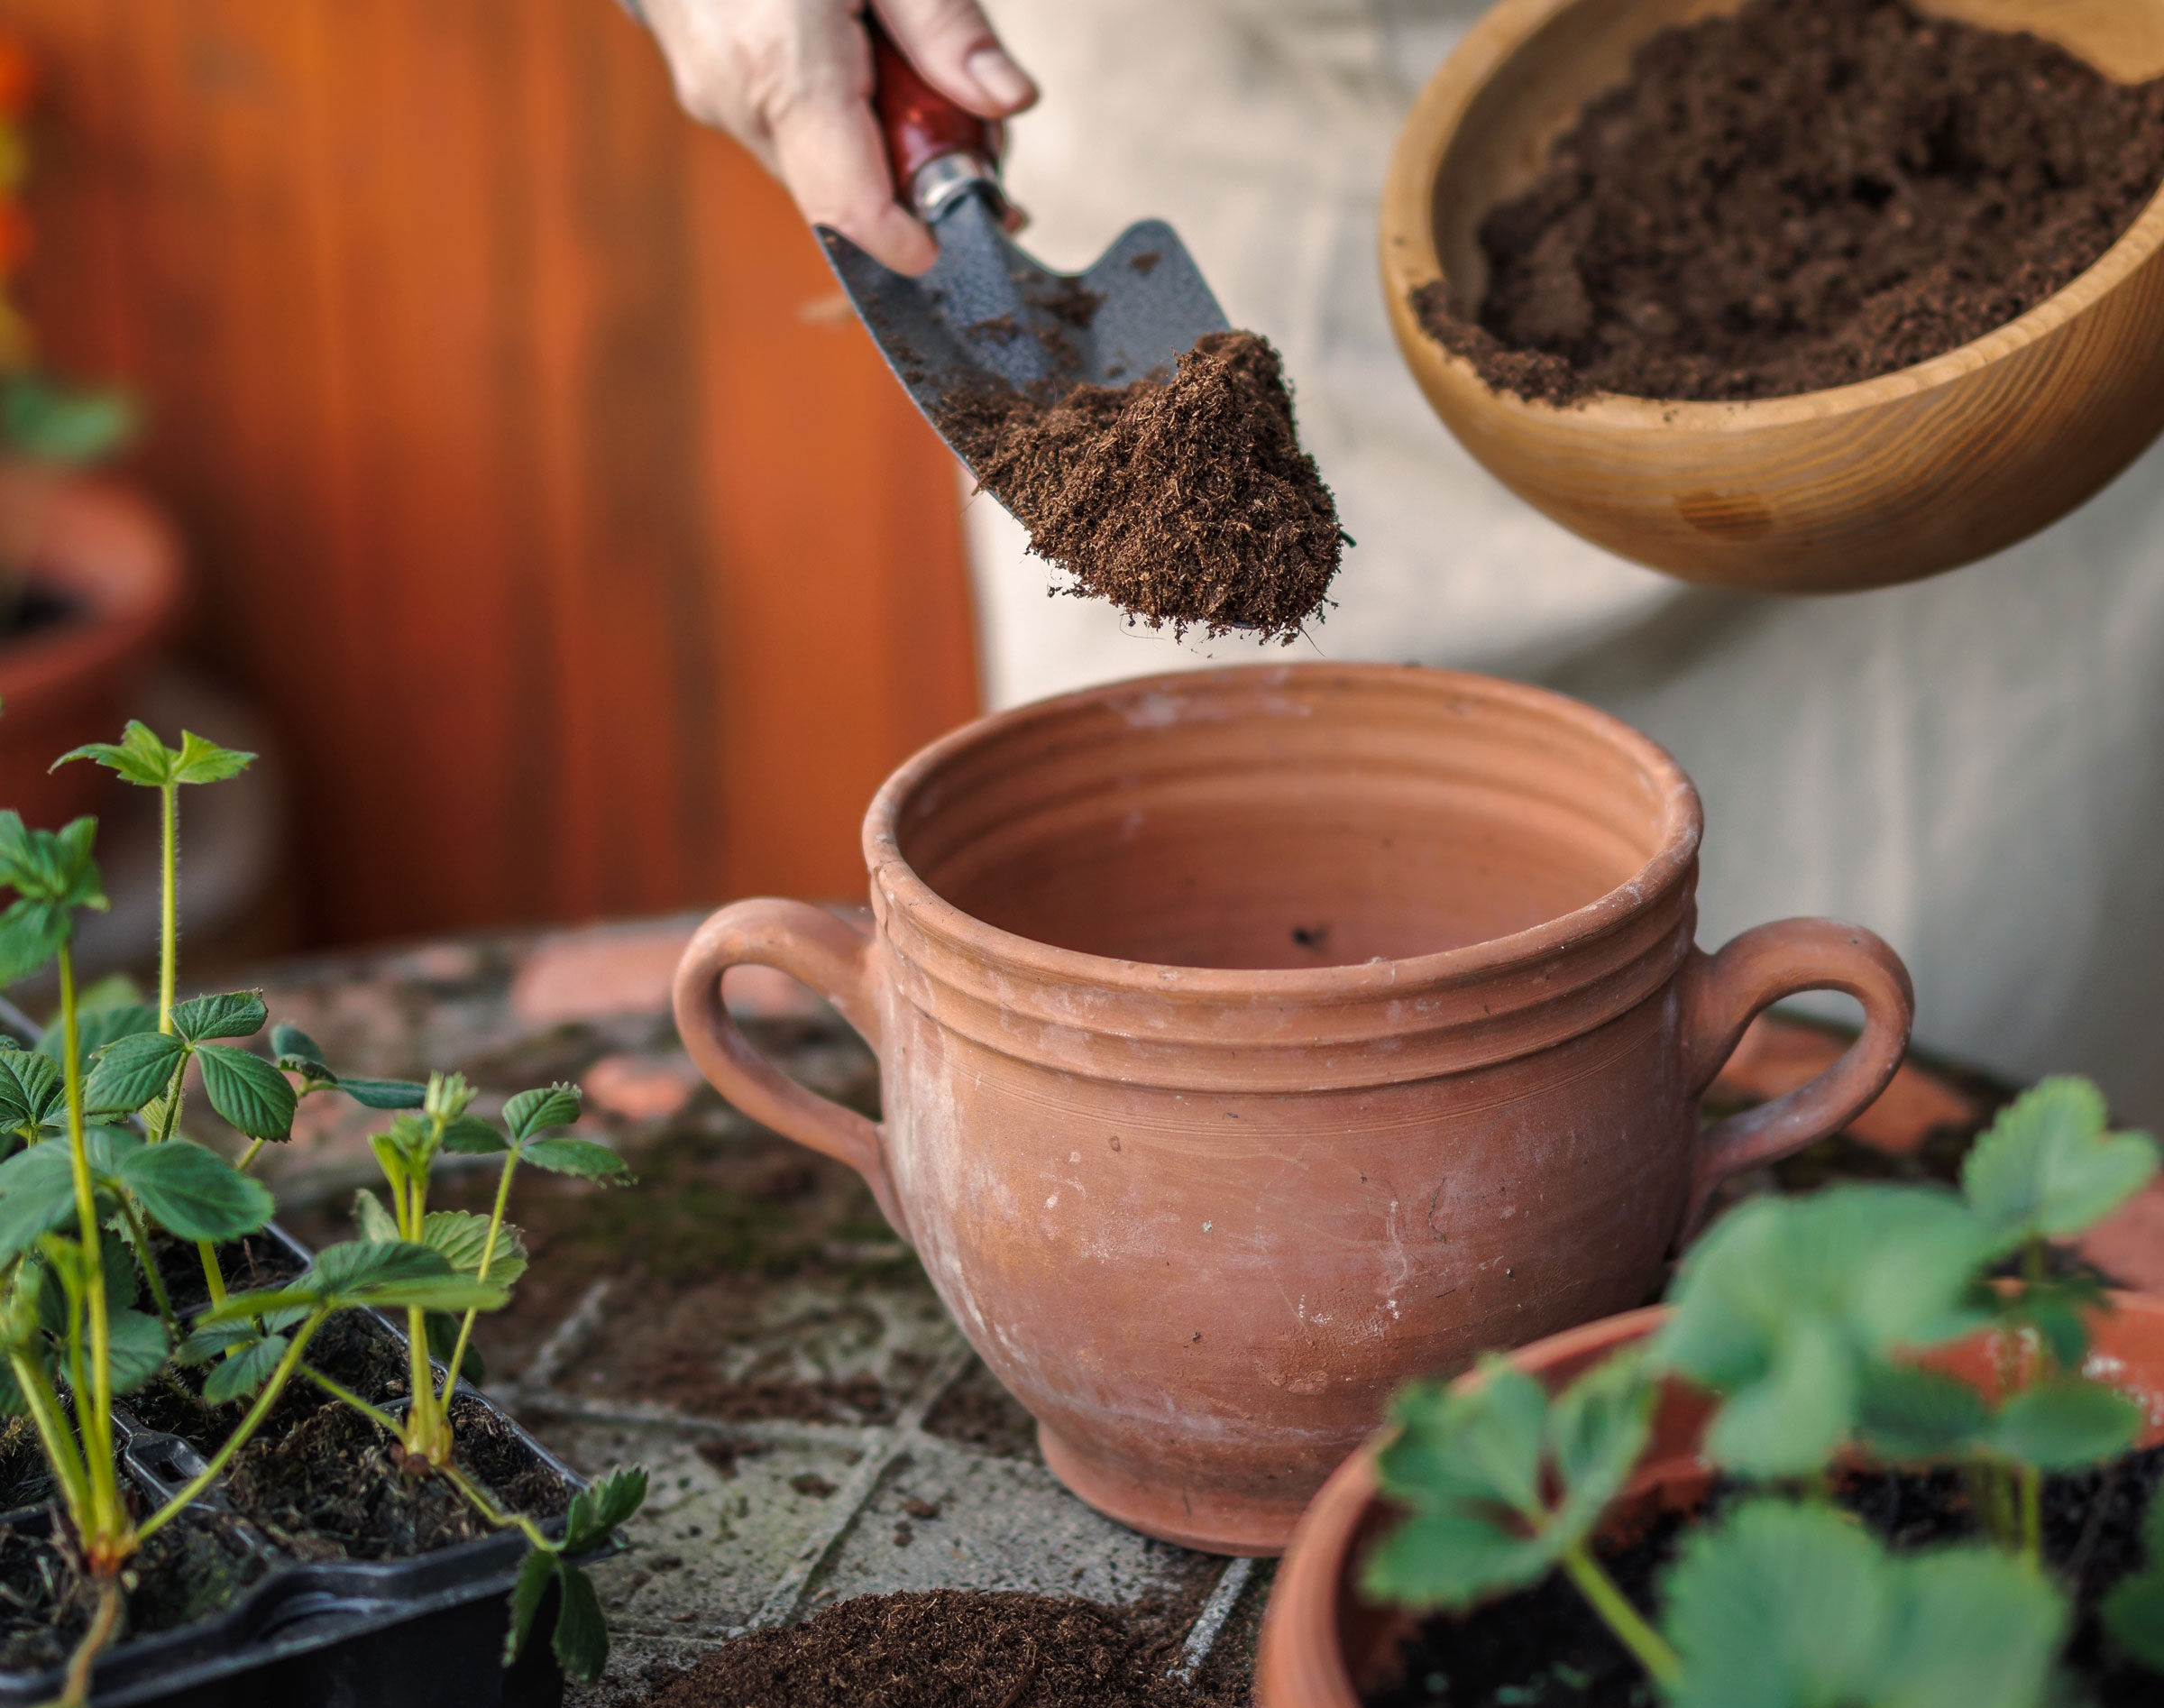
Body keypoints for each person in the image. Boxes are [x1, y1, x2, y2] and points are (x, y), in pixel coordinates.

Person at [626, 0, 2164, 1129]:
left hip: (1981, 273)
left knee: (1950, 1167)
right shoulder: (1147, 387)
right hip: (1264, 122)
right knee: (1218, 1106)